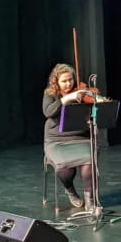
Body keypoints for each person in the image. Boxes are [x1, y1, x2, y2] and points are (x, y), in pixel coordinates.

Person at [43, 63, 94, 211]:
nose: (68, 84)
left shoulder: (81, 91)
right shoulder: (50, 94)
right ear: (56, 82)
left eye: (70, 80)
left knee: (89, 161)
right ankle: (70, 188)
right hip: (56, 140)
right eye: (64, 81)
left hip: (80, 137)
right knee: (63, 168)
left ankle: (90, 199)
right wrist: (66, 99)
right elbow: (48, 112)